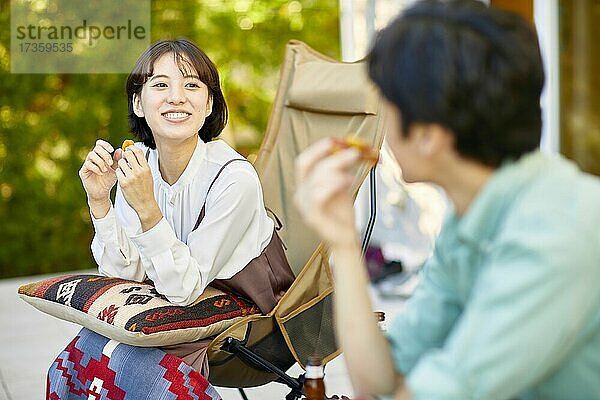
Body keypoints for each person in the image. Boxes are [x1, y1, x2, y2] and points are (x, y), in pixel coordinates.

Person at [294, 1, 600, 399]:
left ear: (428, 135)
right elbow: (379, 379)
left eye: (386, 102)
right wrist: (343, 243)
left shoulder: (557, 232)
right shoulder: (471, 215)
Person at [78, 38, 294, 375]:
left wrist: (148, 208)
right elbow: (124, 274)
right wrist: (99, 202)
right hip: (175, 303)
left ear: (208, 104)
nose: (176, 97)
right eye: (161, 84)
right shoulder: (139, 165)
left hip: (249, 319)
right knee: (89, 345)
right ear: (138, 102)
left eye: (191, 85)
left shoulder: (234, 178)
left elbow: (183, 290)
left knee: (126, 360)